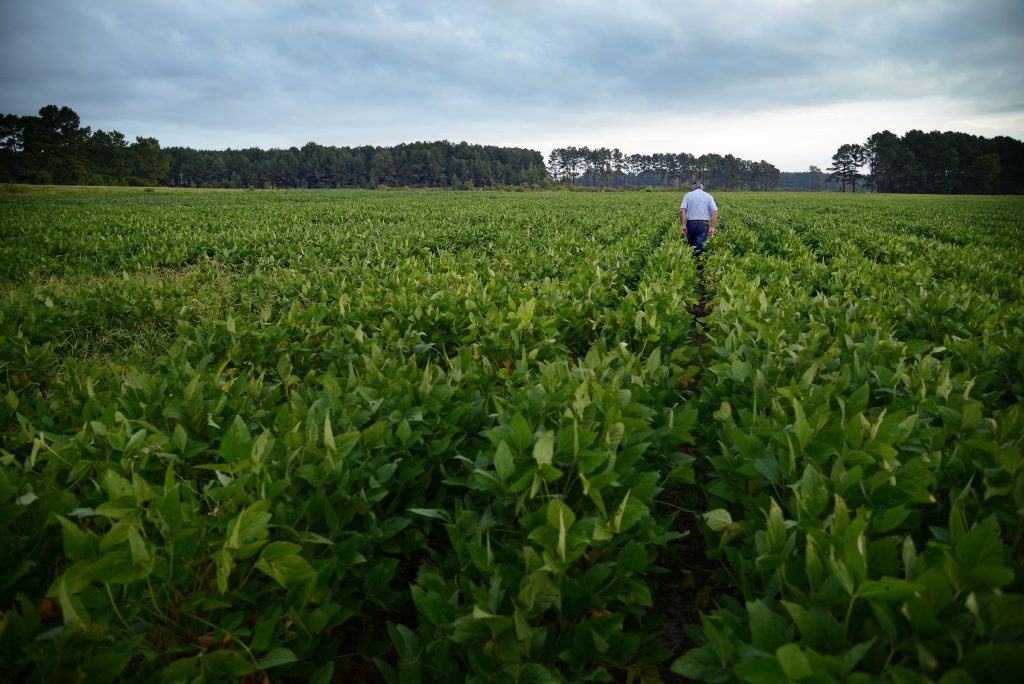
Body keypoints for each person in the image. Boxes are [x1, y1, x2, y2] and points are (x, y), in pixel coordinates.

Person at [679, 179, 718, 257]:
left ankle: (690, 263)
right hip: (703, 224)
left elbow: (681, 210)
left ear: (693, 187)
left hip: (690, 224)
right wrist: (712, 227)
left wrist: (683, 224)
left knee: (691, 245)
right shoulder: (708, 196)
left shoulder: (688, 195)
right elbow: (714, 212)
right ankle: (700, 266)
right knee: (700, 246)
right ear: (702, 187)